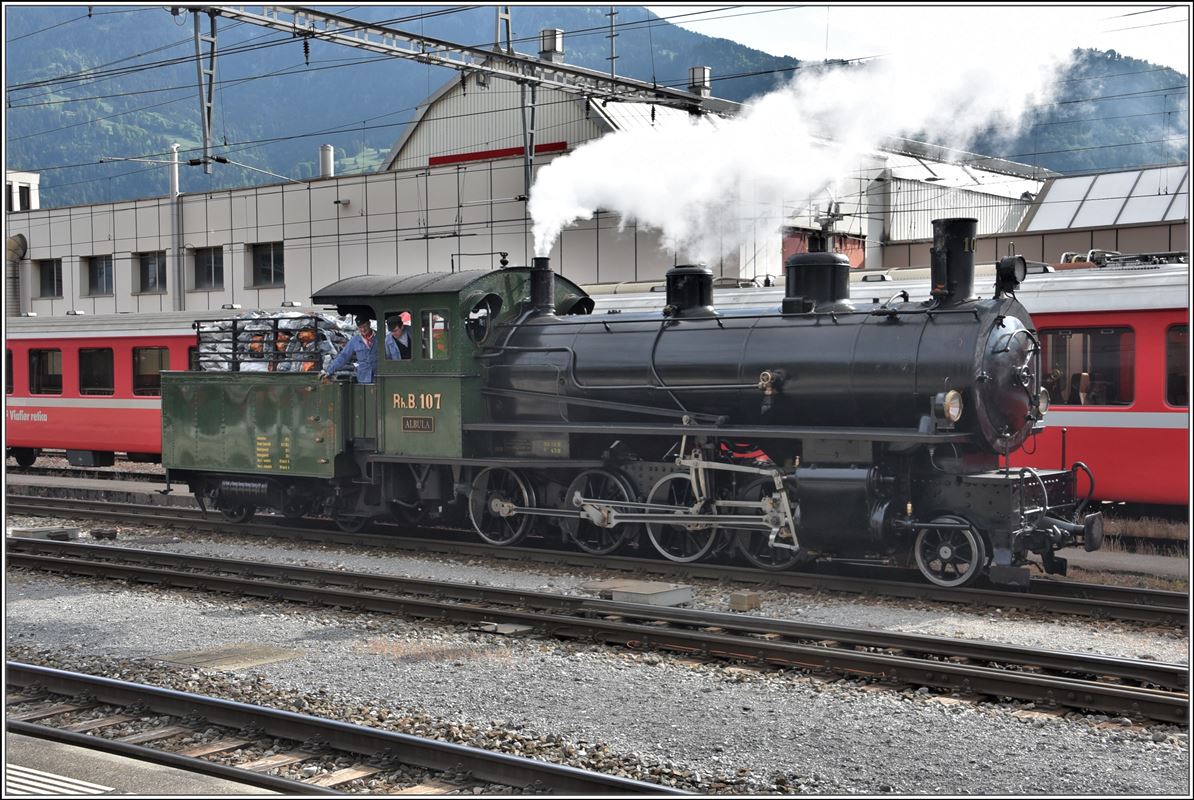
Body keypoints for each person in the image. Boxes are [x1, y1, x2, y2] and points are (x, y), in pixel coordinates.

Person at [321, 315, 377, 383]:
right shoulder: (355, 340)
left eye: (365, 326)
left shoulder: (380, 337)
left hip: (379, 376)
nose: (363, 330)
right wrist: (329, 371)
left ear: (369, 324)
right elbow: (343, 356)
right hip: (363, 378)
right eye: (360, 327)